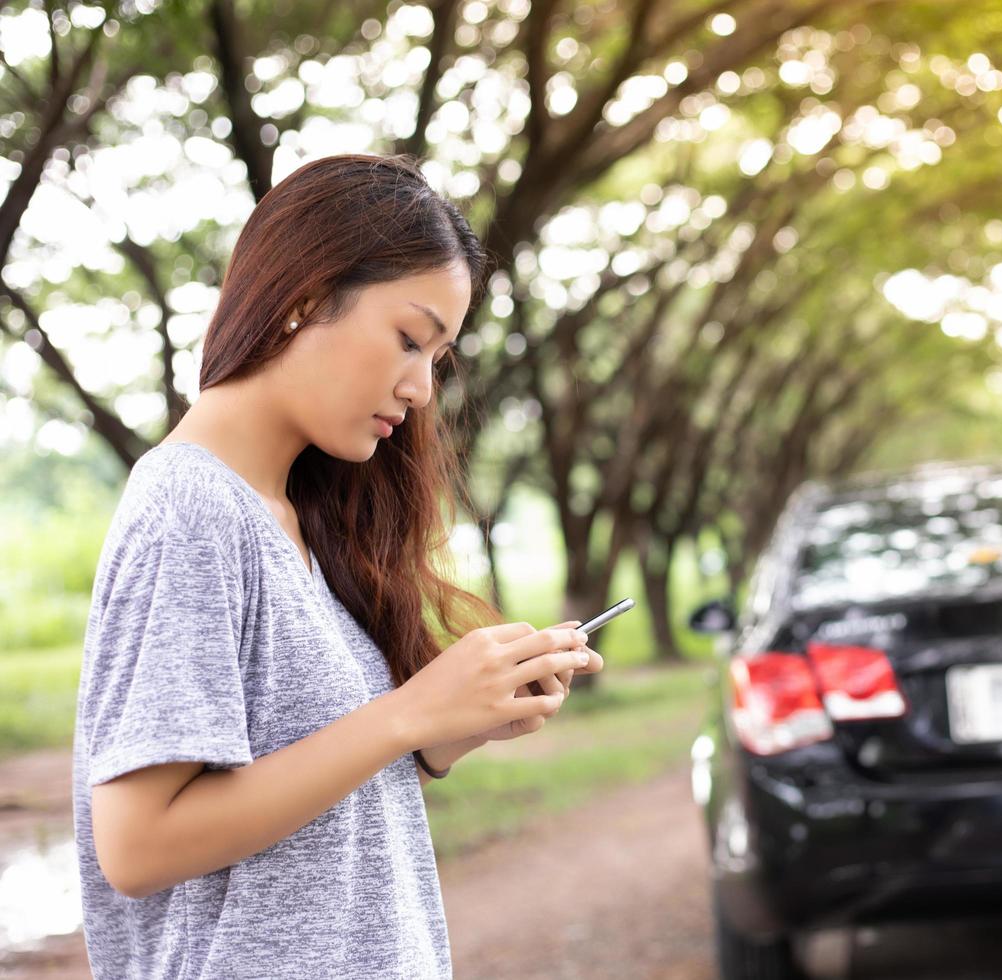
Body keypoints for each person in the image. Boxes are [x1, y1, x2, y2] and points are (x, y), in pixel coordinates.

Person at [71, 153, 604, 978]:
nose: (422, 388)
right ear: (305, 298)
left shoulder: (301, 517)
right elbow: (138, 846)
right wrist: (408, 715)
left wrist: (449, 733)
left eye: (437, 357)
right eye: (408, 339)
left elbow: (305, 807)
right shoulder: (191, 508)